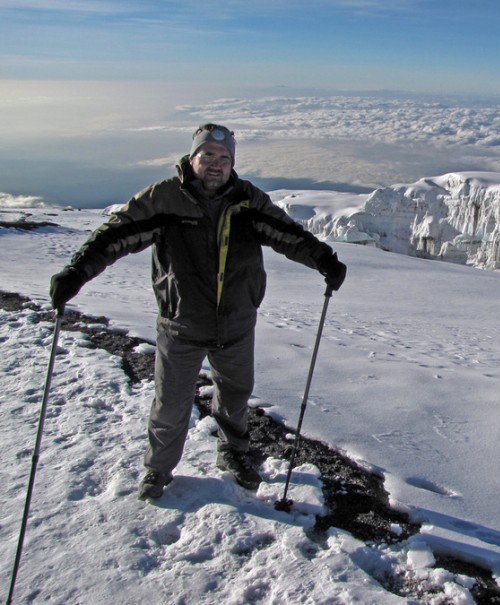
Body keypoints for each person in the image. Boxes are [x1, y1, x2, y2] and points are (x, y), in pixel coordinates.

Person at [50, 123, 346, 500]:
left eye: (224, 158)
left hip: (237, 321)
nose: (216, 164)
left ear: (232, 163)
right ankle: (158, 469)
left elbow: (286, 234)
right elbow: (116, 235)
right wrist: (78, 271)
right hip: (182, 323)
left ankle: (234, 452)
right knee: (171, 401)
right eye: (208, 156)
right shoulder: (163, 198)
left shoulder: (247, 200)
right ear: (193, 158)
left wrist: (323, 258)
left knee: (236, 395)